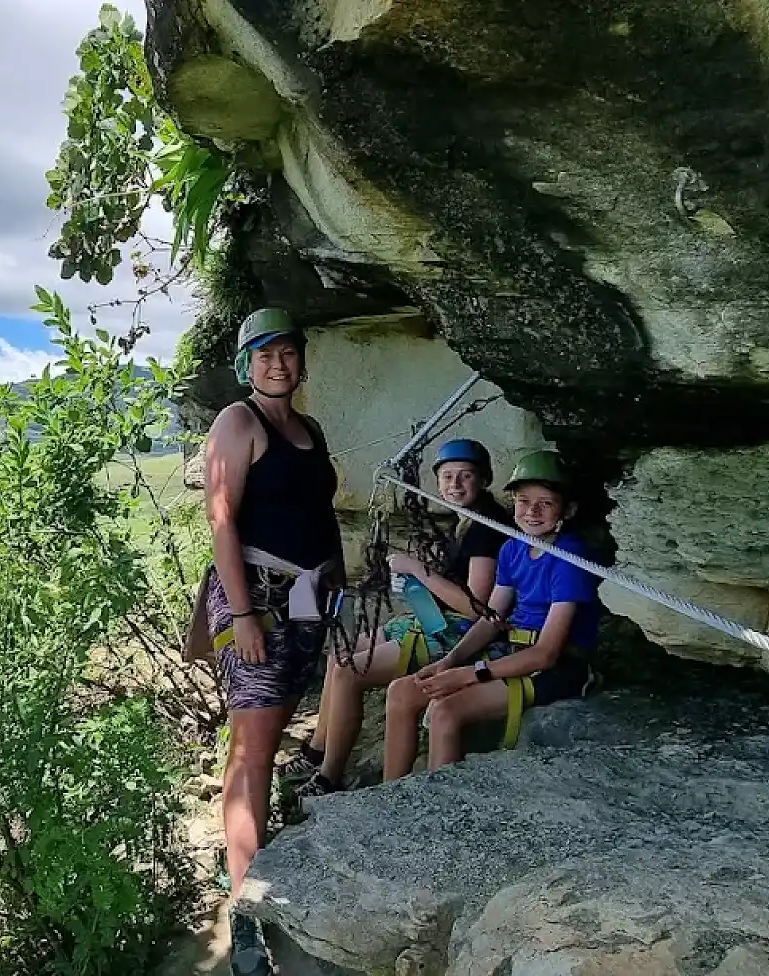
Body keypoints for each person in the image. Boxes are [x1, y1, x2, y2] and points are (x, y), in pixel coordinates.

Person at [202, 307, 344, 976]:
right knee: (252, 755)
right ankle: (248, 914)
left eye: (287, 352)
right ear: (245, 364)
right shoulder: (239, 422)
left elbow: (320, 517)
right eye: (264, 354)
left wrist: (341, 587)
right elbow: (223, 520)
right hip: (256, 599)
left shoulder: (307, 429)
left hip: (309, 599)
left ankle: (245, 848)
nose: (278, 364)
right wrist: (239, 614)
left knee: (270, 736)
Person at [282, 439, 513, 796]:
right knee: (339, 655)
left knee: (348, 669)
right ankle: (316, 752)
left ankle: (329, 776)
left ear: (484, 480)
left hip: (459, 633)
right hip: (439, 621)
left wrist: (420, 571)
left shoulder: (486, 528)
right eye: (448, 477)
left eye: (465, 476)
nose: (455, 485)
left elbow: (476, 608)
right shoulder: (468, 520)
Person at [382, 450, 601, 778]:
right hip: (512, 650)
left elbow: (546, 654)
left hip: (558, 666)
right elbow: (491, 617)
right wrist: (451, 661)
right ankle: (390, 797)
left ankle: (438, 814)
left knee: (445, 710)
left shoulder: (569, 558)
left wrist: (469, 674)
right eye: (523, 501)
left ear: (567, 510)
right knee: (401, 691)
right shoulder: (514, 547)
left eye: (546, 502)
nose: (532, 511)